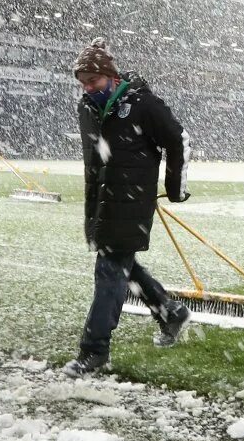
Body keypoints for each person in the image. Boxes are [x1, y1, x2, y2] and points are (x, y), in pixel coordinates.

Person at [64, 39, 192, 375]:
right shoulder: (87, 107)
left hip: (132, 201)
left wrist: (174, 187)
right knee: (122, 266)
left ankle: (94, 351)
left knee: (109, 272)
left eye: (93, 81)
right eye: (82, 83)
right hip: (102, 202)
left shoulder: (141, 104)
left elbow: (176, 139)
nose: (88, 89)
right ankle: (170, 312)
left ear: (111, 75)